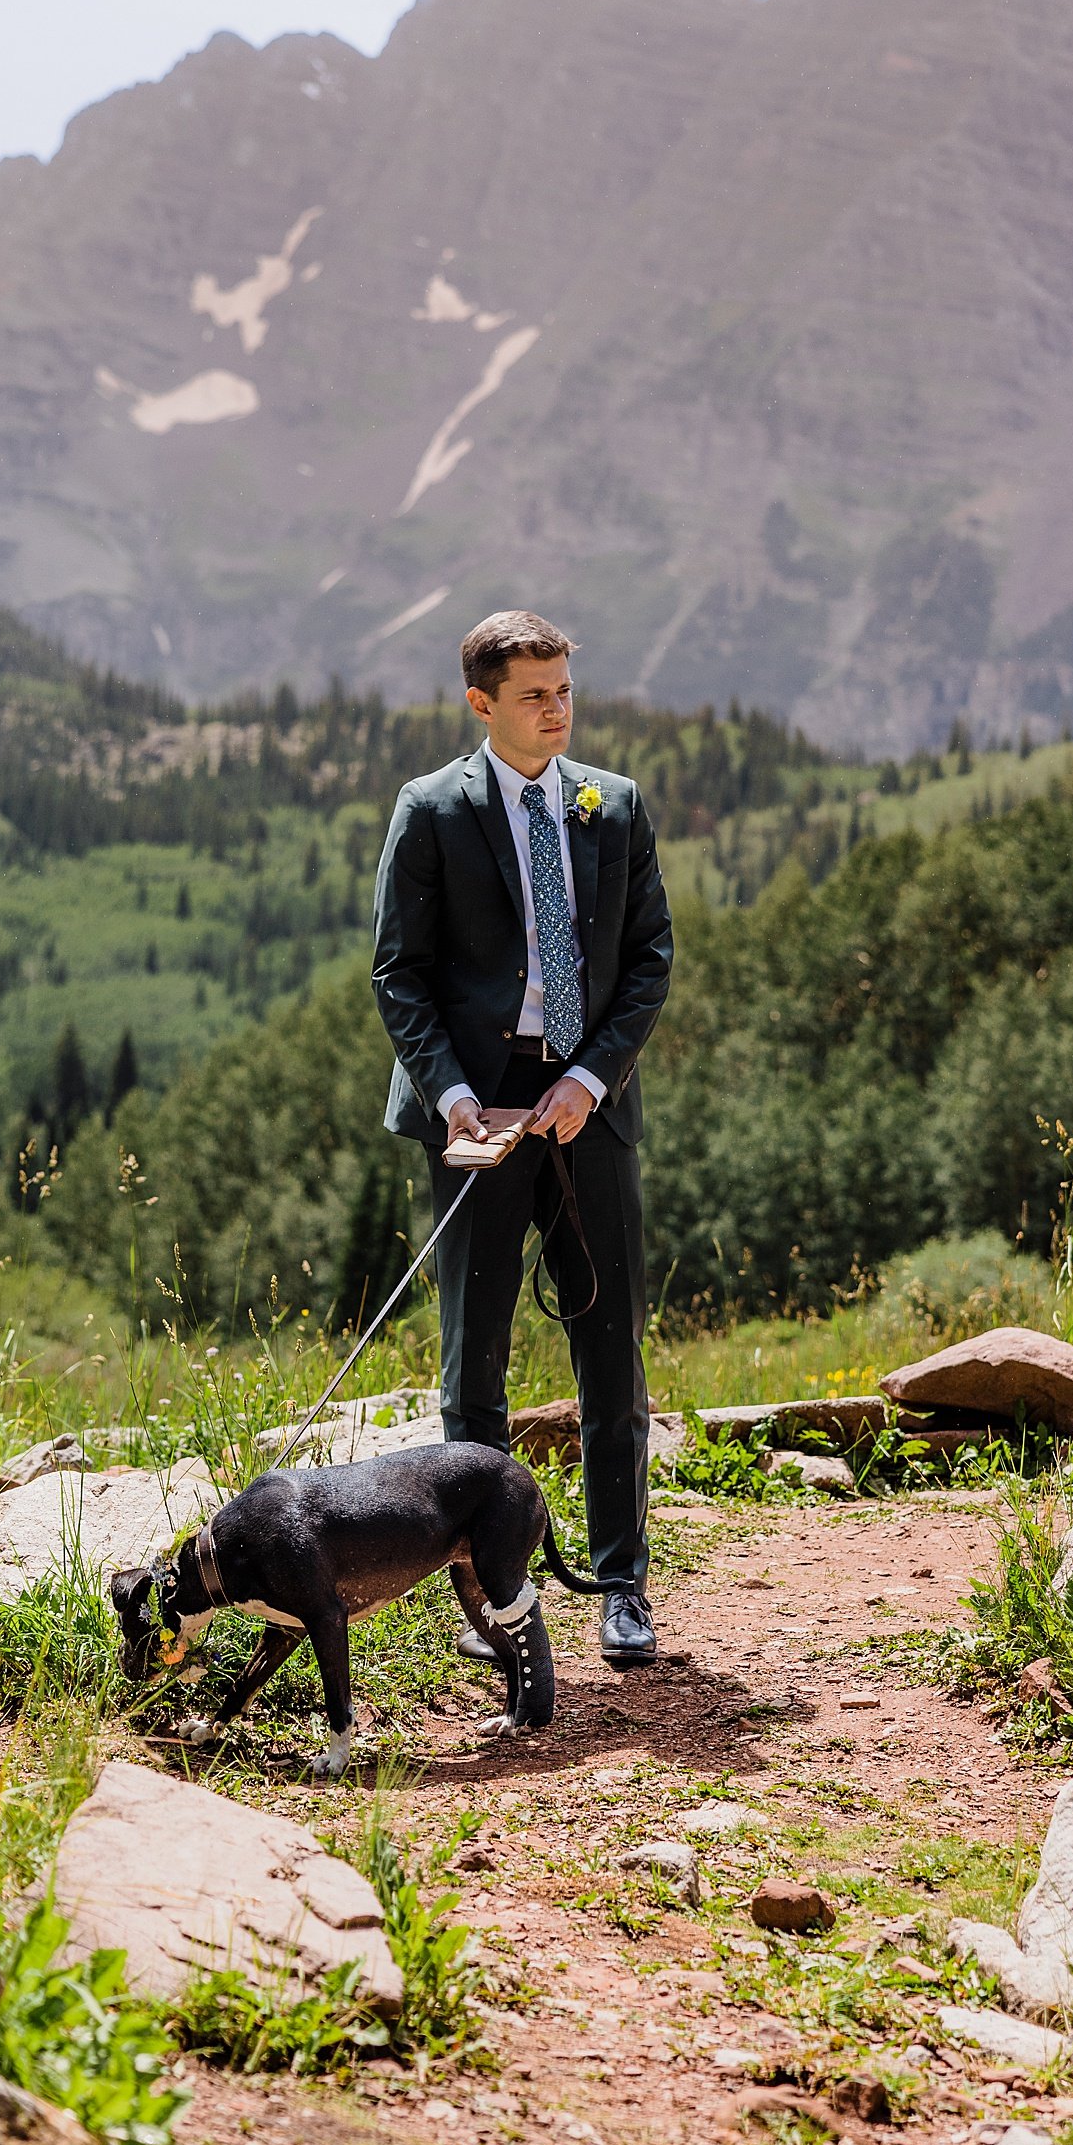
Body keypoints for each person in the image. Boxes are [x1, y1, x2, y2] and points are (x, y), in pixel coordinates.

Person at [371, 609, 675, 1667]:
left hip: (591, 1108)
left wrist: (592, 1076)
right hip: (479, 1114)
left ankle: (623, 1583)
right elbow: (398, 973)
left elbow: (649, 961)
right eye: (534, 693)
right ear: (481, 702)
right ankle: (494, 1597)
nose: (557, 710)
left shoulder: (613, 805)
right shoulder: (431, 811)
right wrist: (449, 1090)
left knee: (610, 1346)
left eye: (565, 691)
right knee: (477, 1360)